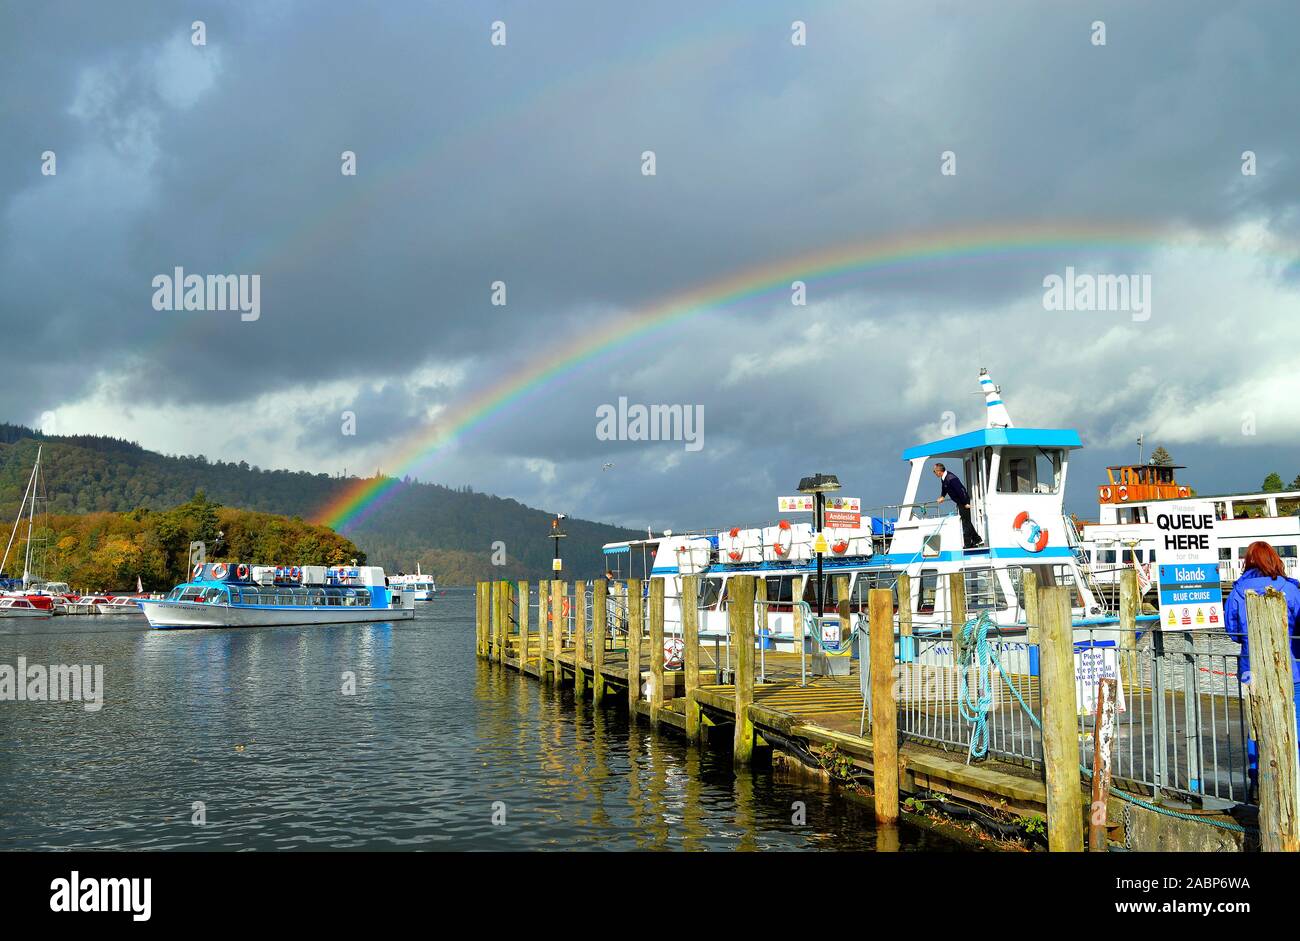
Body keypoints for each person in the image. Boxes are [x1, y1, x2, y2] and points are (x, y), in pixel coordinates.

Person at [1223, 541, 1300, 791]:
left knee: (1257, 725)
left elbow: (1233, 631)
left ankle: (1259, 781)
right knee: (1295, 722)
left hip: (1251, 669)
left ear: (1249, 562)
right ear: (1275, 560)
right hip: (1292, 668)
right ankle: (1293, 780)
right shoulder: (1290, 589)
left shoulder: (1238, 591)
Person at [933, 462, 982, 548]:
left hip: (963, 500)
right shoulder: (944, 478)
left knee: (965, 522)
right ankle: (976, 539)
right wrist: (942, 496)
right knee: (966, 521)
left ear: (939, 471)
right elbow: (944, 488)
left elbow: (961, 490)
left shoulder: (951, 478)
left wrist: (965, 503)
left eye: (934, 471)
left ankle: (968, 544)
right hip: (960, 501)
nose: (934, 473)